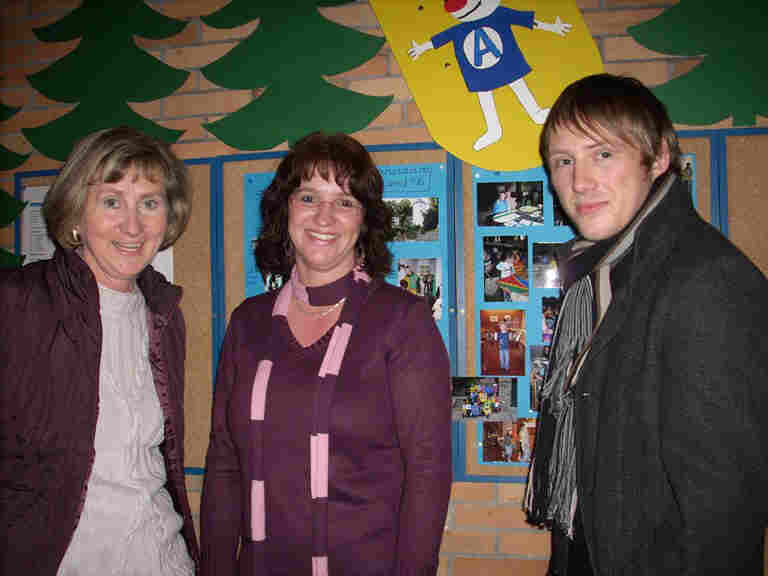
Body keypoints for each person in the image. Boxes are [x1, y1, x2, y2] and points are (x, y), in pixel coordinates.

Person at [524, 73, 768, 575]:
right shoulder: (601, 276)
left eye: (602, 154)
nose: (579, 182)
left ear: (657, 158)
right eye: (564, 161)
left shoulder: (705, 279)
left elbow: (725, 509)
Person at [200, 131, 452, 575]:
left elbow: (427, 472)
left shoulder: (402, 321)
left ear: (364, 220)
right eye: (309, 197)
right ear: (285, 209)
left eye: (345, 201)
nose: (324, 216)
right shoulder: (248, 323)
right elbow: (224, 462)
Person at [0, 126, 199, 575]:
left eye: (149, 203)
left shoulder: (163, 313)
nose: (133, 226)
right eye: (112, 202)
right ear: (76, 212)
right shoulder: (18, 302)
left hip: (161, 556)